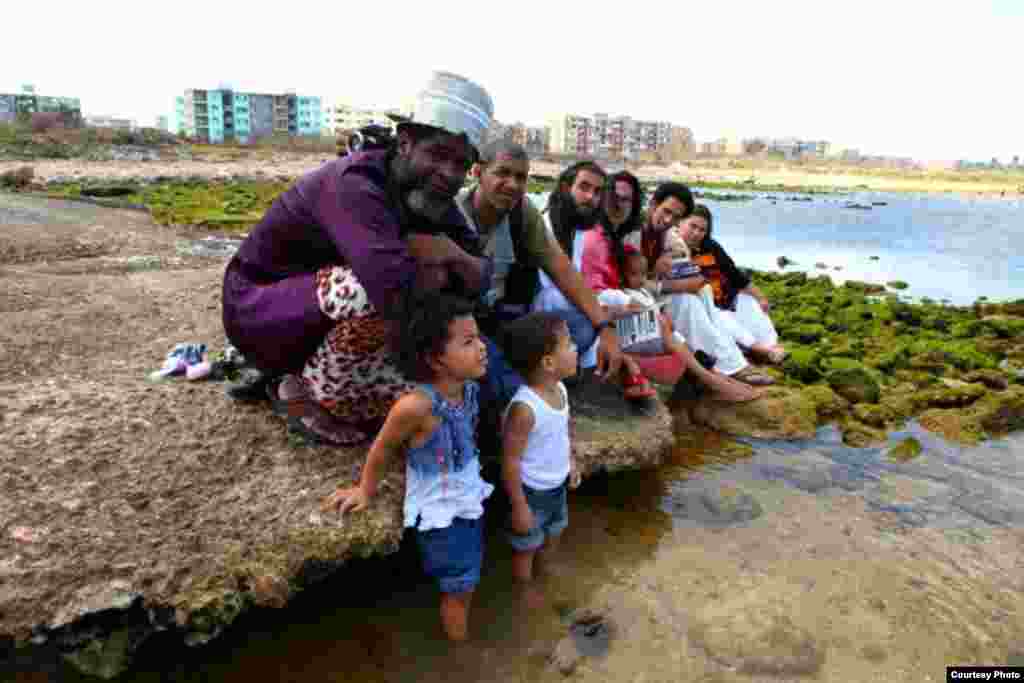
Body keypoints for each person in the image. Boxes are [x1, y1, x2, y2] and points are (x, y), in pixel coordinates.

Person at [222, 72, 495, 445]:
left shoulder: (434, 197)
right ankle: (302, 393)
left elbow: (481, 276)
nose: (449, 174)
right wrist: (443, 274)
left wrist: (450, 255)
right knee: (369, 287)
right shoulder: (354, 184)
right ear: (405, 143)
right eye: (438, 155)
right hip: (258, 312)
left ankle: (311, 377)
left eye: (461, 165)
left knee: (441, 380)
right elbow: (392, 290)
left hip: (318, 322)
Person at [322, 295, 493, 642]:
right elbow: (383, 447)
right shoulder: (416, 406)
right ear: (435, 358)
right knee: (457, 587)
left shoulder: (469, 390)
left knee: (466, 579)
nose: (483, 347)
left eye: (479, 337)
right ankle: (462, 657)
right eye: (468, 341)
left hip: (467, 499)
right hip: (441, 512)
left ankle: (461, 640)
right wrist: (365, 490)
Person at [453, 141, 624, 410]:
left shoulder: (521, 211)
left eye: (520, 177)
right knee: (505, 393)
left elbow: (563, 271)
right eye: (502, 173)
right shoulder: (453, 211)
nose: (512, 184)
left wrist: (606, 329)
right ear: (477, 172)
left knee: (582, 320)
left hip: (498, 319)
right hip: (455, 322)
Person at [533, 162, 657, 400]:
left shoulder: (580, 230)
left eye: (598, 192)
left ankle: (615, 368)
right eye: (584, 187)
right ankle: (615, 369)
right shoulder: (545, 226)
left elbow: (583, 290)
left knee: (650, 319)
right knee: (632, 318)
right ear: (565, 187)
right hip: (540, 320)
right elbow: (561, 294)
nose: (591, 197)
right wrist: (609, 313)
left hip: (577, 320)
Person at [640, 183, 775, 386]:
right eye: (666, 212)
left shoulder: (670, 237)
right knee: (689, 303)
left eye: (675, 216)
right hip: (639, 309)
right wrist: (676, 283)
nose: (669, 220)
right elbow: (635, 281)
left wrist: (686, 280)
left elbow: (734, 275)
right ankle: (728, 366)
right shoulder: (636, 233)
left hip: (689, 303)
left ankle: (730, 363)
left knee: (700, 297)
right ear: (653, 205)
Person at [595, 247, 761, 402]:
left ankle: (715, 375)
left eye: (643, 274)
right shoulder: (616, 293)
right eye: (634, 274)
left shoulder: (643, 290)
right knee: (666, 329)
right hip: (623, 339)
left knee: (677, 334)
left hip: (645, 333)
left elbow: (650, 304)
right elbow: (626, 307)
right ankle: (712, 381)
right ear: (621, 275)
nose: (640, 279)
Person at [500, 312, 580, 606]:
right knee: (526, 547)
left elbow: (562, 432)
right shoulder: (525, 408)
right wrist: (519, 507)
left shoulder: (560, 389)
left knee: (555, 531)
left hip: (556, 486)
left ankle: (546, 572)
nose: (576, 349)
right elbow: (510, 461)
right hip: (531, 493)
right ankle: (524, 588)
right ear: (548, 363)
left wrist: (571, 461)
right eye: (569, 344)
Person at [680, 205, 786, 363]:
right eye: (692, 226)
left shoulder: (711, 246)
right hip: (707, 308)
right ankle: (762, 351)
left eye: (702, 230)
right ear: (681, 222)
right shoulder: (673, 249)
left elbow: (736, 275)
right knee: (723, 321)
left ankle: (772, 346)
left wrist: (760, 297)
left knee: (751, 304)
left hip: (729, 299)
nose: (696, 233)